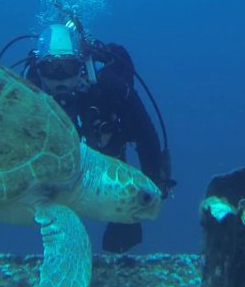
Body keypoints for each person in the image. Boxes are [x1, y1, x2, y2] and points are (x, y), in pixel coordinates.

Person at [17, 22, 175, 253]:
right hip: (50, 174)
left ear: (81, 67)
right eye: (51, 69)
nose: (59, 78)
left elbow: (146, 134)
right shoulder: (28, 94)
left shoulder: (110, 88)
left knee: (122, 233)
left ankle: (123, 222)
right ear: (38, 70)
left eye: (68, 67)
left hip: (107, 156)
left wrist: (154, 180)